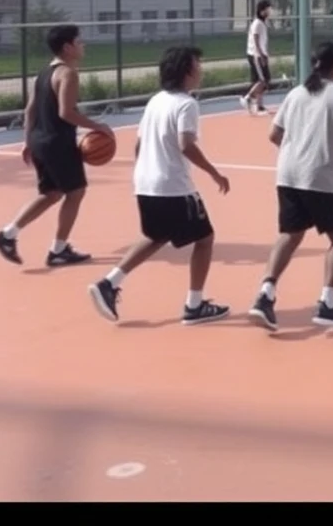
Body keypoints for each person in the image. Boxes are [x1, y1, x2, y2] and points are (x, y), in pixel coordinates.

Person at [87, 45, 231, 325]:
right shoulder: (187, 104)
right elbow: (186, 145)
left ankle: (109, 282)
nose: (200, 69)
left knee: (157, 235)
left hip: (146, 182)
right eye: (197, 65)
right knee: (205, 239)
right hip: (173, 186)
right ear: (186, 71)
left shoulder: (156, 101)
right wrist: (214, 173)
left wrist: (142, 174)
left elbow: (139, 144)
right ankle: (195, 305)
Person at [249, 41, 333, 332]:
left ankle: (265, 294)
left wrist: (299, 151)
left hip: (288, 174)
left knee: (290, 235)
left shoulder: (295, 93)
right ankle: (327, 303)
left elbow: (273, 135)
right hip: (320, 178)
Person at [0, 24, 114, 267]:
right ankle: (58, 250)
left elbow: (30, 110)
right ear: (67, 47)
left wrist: (28, 142)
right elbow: (66, 113)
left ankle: (7, 235)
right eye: (79, 42)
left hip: (40, 140)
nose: (83, 45)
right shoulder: (68, 73)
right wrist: (98, 126)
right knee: (75, 192)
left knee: (51, 193)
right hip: (58, 143)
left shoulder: (44, 72)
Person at [240, 0, 272, 115]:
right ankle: (247, 98)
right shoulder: (257, 23)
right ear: (261, 10)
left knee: (263, 80)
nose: (269, 11)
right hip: (256, 56)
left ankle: (259, 105)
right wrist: (261, 55)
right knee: (263, 80)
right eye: (267, 9)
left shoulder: (263, 23)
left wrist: (265, 53)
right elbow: (256, 40)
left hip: (260, 54)